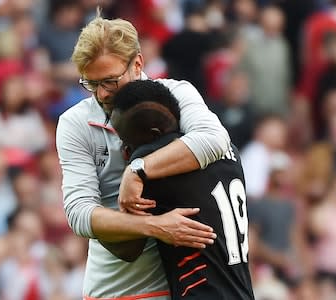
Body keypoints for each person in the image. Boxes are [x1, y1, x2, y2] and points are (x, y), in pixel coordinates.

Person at [55, 10, 230, 299]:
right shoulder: (74, 123)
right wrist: (155, 227)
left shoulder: (177, 93)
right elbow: (79, 213)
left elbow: (214, 139)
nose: (101, 95)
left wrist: (137, 169)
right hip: (117, 289)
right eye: (91, 84)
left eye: (110, 81)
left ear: (137, 64)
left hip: (185, 286)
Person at [108, 79, 254, 299]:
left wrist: (92, 219)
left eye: (124, 138)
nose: (123, 148)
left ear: (155, 134)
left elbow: (127, 249)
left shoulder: (149, 163)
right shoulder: (228, 149)